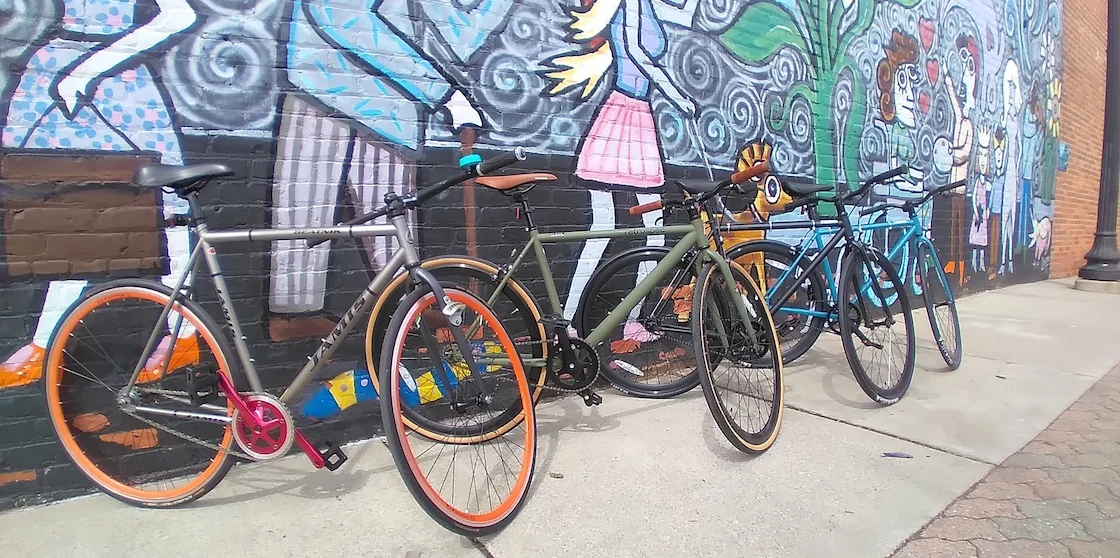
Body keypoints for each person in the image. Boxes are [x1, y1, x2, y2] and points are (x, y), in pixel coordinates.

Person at [1, 0, 200, 388]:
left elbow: (180, 14)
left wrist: (86, 71)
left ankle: (183, 334)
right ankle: (46, 341)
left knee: (165, 209)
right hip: (64, 75)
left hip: (112, 84)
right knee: (74, 211)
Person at [542, 0, 700, 341]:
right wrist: (677, 96)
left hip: (638, 119)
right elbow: (637, 53)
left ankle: (632, 320)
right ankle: (568, 322)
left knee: (652, 233)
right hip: (623, 117)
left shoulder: (648, 6)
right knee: (604, 229)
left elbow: (686, 14)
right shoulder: (630, 5)